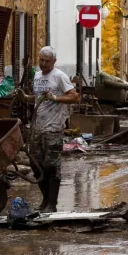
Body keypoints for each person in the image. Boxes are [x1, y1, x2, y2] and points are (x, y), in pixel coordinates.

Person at [17, 47, 79, 213]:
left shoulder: (59, 76)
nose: (43, 64)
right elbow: (38, 98)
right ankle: (45, 200)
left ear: (54, 61)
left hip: (53, 128)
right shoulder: (37, 76)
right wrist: (26, 97)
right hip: (37, 128)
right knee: (36, 165)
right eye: (41, 60)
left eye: (47, 61)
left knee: (51, 166)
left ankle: (52, 204)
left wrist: (56, 98)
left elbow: (74, 96)